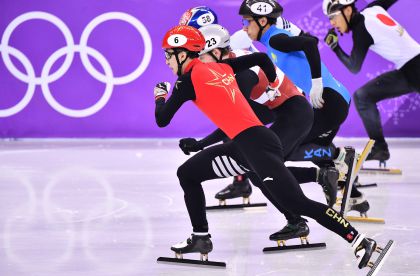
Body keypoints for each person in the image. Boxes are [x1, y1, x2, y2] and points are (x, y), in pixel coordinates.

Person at [155, 24, 384, 270]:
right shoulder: (221, 67)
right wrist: (274, 80)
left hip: (254, 145)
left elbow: (162, 119)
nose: (166, 60)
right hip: (246, 144)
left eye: (168, 54)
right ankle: (200, 238)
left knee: (298, 203)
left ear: (182, 54)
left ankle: (359, 240)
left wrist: (159, 96)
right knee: (187, 174)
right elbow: (262, 58)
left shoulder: (184, 82)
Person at [323, 0, 420, 162]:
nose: (332, 23)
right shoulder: (373, 7)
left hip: (413, 69)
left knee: (363, 97)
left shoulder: (361, 28)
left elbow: (354, 67)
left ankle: (380, 148)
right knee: (363, 97)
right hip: (408, 70)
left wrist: (335, 47)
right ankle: (380, 149)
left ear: (347, 11)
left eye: (333, 16)